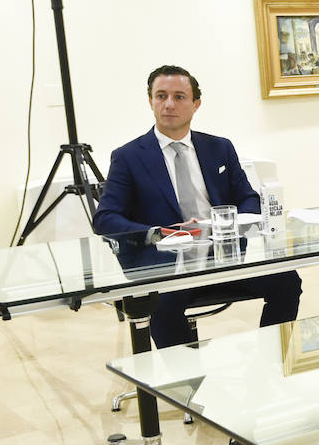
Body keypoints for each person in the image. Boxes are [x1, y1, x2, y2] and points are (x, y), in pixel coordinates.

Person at [94, 65, 302, 348]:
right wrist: (158, 232)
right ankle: (187, 384)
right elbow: (105, 219)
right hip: (167, 262)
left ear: (196, 104)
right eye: (161, 96)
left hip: (224, 254)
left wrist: (232, 224)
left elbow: (248, 197)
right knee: (163, 302)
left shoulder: (220, 148)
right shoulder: (128, 157)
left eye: (179, 97)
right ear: (150, 102)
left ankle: (271, 359)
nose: (169, 104)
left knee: (287, 281)